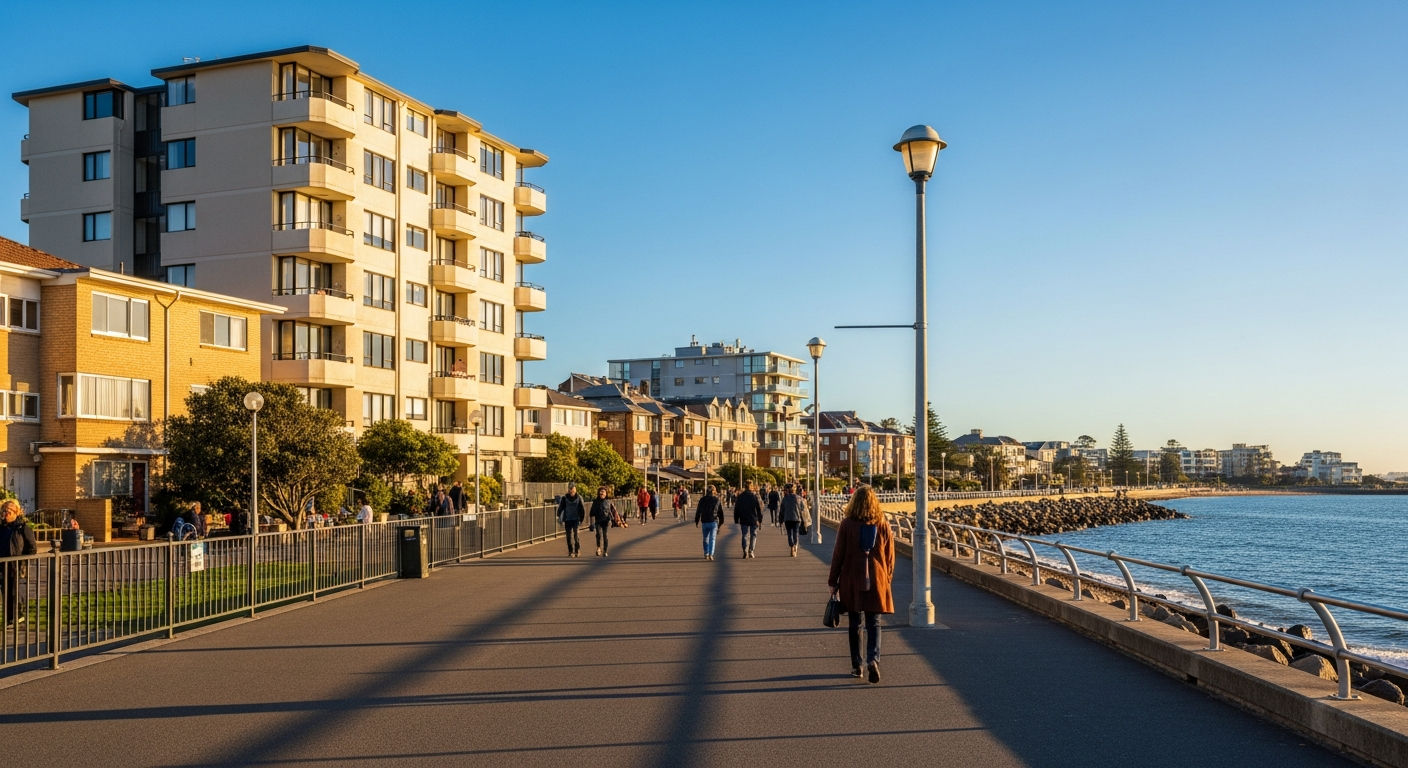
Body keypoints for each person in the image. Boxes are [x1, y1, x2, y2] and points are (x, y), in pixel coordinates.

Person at [827, 485, 894, 684]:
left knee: (855, 621)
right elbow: (890, 555)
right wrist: (886, 578)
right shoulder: (882, 523)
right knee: (874, 622)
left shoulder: (847, 524)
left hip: (852, 577)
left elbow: (838, 554)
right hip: (877, 577)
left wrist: (833, 581)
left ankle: (857, 665)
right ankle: (873, 659)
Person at [2, 500, 37, 627]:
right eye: (3, 511)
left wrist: (23, 561)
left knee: (14, 590)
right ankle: (9, 618)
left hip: (15, 564)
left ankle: (17, 615)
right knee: (5, 591)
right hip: (2, 564)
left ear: (16, 512)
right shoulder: (2, 527)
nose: (5, 514)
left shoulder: (22, 528)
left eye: (8, 511)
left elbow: (32, 547)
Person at [733, 481, 764, 558]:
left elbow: (736, 508)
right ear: (751, 486)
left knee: (745, 534)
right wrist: (760, 519)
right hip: (753, 518)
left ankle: (745, 549)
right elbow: (759, 509)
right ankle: (751, 550)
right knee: (753, 534)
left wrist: (736, 518)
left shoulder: (740, 496)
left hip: (743, 517)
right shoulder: (754, 496)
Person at [556, 483, 586, 557]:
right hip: (568, 519)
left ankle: (577, 550)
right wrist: (558, 516)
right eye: (570, 489)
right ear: (568, 490)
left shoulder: (579, 498)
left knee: (576, 536)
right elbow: (561, 507)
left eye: (573, 489)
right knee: (569, 536)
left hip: (576, 519)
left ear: (575, 489)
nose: (572, 490)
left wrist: (581, 519)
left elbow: (582, 509)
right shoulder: (564, 498)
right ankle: (570, 551)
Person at [694, 485, 723, 560]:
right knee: (712, 538)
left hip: (705, 521)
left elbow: (698, 511)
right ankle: (711, 554)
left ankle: (706, 553)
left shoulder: (702, 499)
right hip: (713, 521)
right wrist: (720, 522)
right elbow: (720, 512)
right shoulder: (717, 500)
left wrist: (697, 520)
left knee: (705, 538)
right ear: (714, 491)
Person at [589, 487, 619, 557]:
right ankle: (598, 547)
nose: (602, 494)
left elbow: (612, 511)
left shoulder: (608, 502)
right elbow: (591, 513)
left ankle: (605, 550)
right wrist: (591, 523)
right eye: (601, 492)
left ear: (606, 494)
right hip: (598, 520)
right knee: (598, 534)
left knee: (605, 536)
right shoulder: (596, 502)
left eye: (604, 492)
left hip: (606, 520)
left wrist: (613, 520)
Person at [779, 483, 806, 556]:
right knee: (795, 533)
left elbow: (782, 510)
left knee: (789, 533)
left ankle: (791, 545)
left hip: (787, 518)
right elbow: (803, 508)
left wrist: (780, 520)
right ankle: (795, 546)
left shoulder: (785, 499)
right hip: (797, 518)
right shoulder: (799, 498)